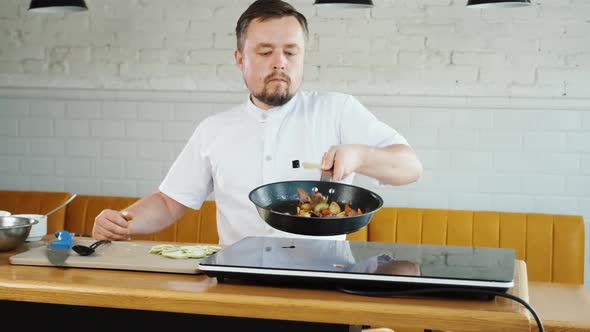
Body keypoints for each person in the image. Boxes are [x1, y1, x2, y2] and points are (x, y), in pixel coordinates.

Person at [92, 0, 423, 246]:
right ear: (240, 58)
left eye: (291, 52)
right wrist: (121, 222)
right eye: (265, 52)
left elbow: (410, 167)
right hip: (238, 286)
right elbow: (168, 202)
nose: (280, 63)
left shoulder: (338, 110)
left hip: (324, 284)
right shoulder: (215, 130)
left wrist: (361, 156)